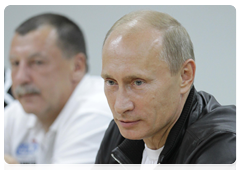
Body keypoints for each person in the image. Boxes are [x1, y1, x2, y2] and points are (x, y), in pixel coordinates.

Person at [92, 10, 238, 170]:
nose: (120, 106)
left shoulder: (223, 147)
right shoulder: (120, 132)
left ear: (184, 76)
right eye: (111, 82)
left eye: (138, 82)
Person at [4, 13, 112, 170]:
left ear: (77, 67)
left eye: (37, 62)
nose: (20, 78)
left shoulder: (97, 110)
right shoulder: (18, 112)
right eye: (15, 63)